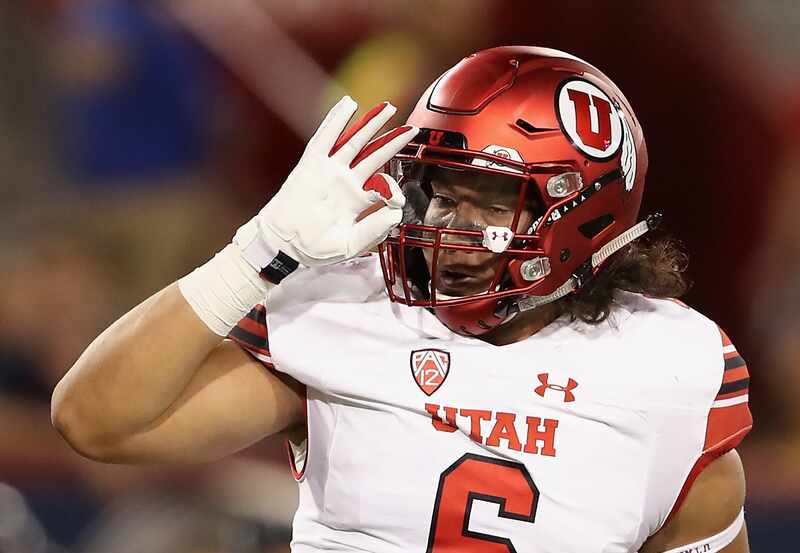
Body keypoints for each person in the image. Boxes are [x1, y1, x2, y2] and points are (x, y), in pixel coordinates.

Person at [52, 46, 752, 553]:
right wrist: (256, 251)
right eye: (441, 191)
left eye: (487, 201)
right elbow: (94, 419)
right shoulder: (353, 308)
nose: (448, 227)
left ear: (578, 212)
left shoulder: (667, 370)